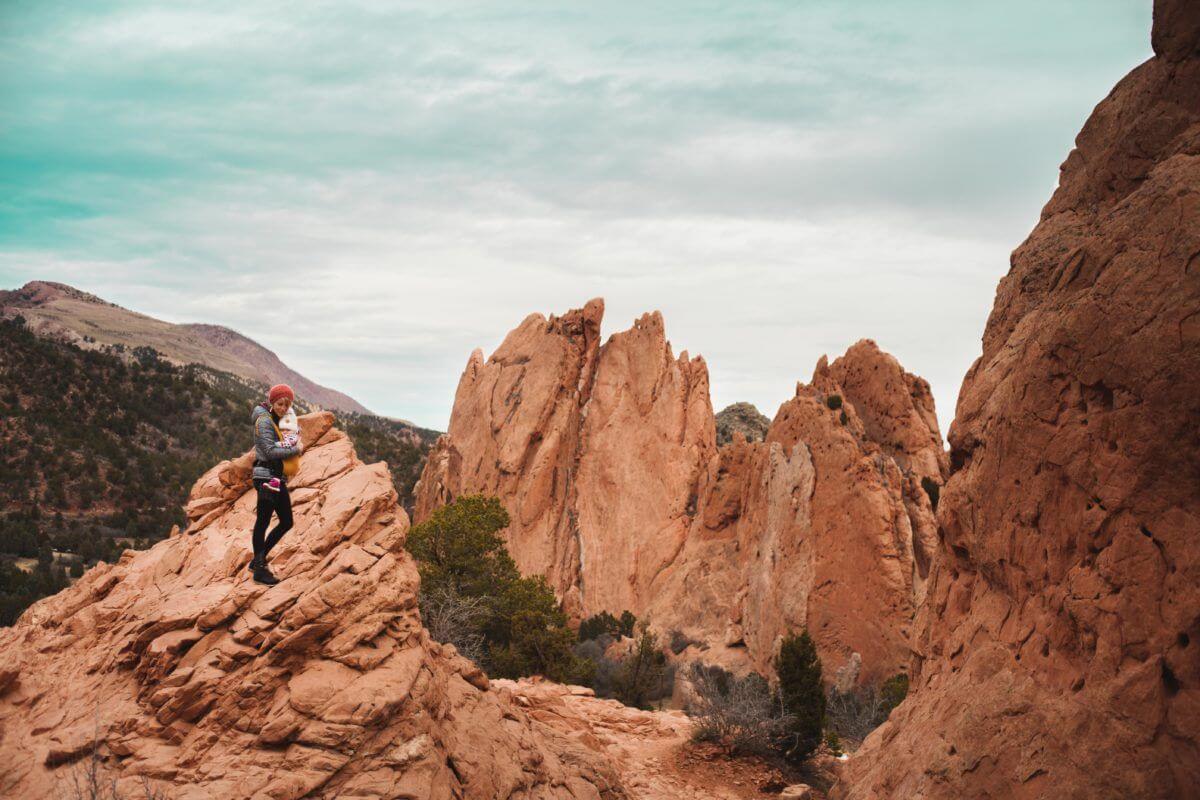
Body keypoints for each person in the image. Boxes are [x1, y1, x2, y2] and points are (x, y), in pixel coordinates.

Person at [249, 384, 304, 585]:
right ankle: (260, 569)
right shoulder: (263, 421)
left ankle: (258, 559)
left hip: (275, 477)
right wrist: (295, 450)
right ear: (272, 401)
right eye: (280, 403)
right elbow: (270, 451)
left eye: (286, 405)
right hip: (266, 477)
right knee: (263, 521)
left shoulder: (275, 419)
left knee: (286, 521)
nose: (283, 408)